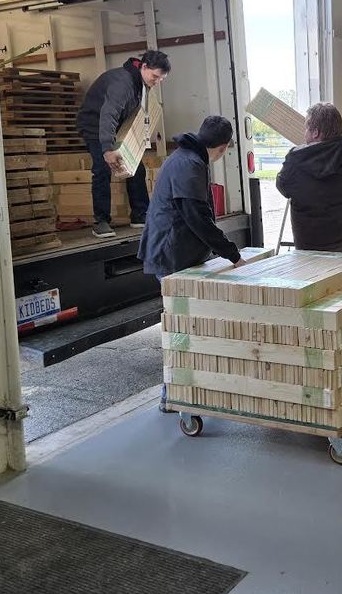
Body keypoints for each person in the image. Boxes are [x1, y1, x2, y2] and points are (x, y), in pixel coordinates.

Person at [138, 115, 245, 413]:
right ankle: (172, 394)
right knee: (182, 327)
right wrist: (233, 254)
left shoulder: (186, 157)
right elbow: (198, 218)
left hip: (178, 252)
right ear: (223, 148)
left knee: (188, 325)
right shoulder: (190, 165)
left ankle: (184, 389)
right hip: (171, 255)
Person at [77, 50, 171, 238]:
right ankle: (101, 221)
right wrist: (107, 149)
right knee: (103, 168)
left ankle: (140, 215)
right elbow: (108, 114)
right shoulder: (123, 83)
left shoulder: (141, 83)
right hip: (95, 126)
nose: (157, 81)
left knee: (136, 166)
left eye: (161, 78)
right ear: (144, 67)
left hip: (115, 127)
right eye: (155, 76)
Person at [276, 103, 342, 253]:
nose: (304, 133)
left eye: (306, 128)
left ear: (315, 133)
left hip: (309, 243)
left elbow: (283, 187)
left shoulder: (296, 158)